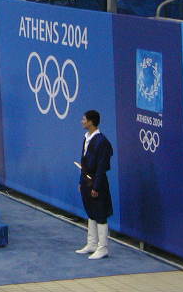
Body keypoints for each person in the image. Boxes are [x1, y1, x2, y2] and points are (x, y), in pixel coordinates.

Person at [75, 110, 113, 260]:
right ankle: (92, 243)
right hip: (86, 181)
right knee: (91, 212)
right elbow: (83, 163)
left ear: (91, 122)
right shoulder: (86, 138)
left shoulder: (102, 142)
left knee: (100, 214)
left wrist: (96, 187)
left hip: (97, 183)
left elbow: (102, 166)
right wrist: (81, 181)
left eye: (84, 119)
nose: (82, 121)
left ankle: (102, 247)